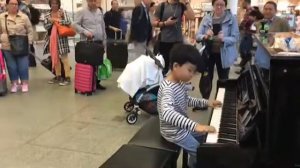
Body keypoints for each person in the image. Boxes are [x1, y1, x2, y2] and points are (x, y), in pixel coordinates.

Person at [157, 44, 222, 168]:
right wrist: (196, 126)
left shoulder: (178, 83)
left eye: (194, 71)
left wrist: (207, 102)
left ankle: (192, 162)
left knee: (207, 137)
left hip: (182, 128)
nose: (192, 75)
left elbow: (187, 99)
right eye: (190, 70)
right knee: (202, 153)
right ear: (176, 66)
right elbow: (167, 113)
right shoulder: (168, 88)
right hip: (174, 133)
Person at [195, 0, 239, 109]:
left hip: (224, 54)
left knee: (223, 79)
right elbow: (197, 36)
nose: (219, 7)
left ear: (225, 6)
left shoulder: (231, 18)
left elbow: (235, 37)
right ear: (213, 5)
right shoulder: (207, 18)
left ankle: (220, 102)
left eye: (222, 5)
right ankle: (205, 103)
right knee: (206, 79)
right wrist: (205, 36)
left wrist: (224, 39)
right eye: (217, 4)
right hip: (208, 54)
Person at [152, 0, 195, 75]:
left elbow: (192, 17)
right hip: (164, 41)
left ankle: (175, 85)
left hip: (178, 42)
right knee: (163, 68)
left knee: (178, 67)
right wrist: (165, 23)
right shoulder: (162, 6)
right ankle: (164, 85)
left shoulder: (181, 6)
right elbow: (154, 22)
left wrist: (187, 3)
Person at [0, 0, 33, 93]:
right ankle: (14, 83)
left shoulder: (24, 17)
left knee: (23, 65)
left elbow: (30, 31)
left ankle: (24, 83)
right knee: (11, 66)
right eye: (12, 4)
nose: (14, 6)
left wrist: (29, 43)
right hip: (7, 46)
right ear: (7, 5)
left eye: (16, 4)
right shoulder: (2, 17)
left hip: (21, 45)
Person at [73, 0, 107, 90]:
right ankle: (89, 84)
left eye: (95, 1)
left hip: (99, 42)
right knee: (90, 64)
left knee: (99, 64)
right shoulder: (82, 12)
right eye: (91, 1)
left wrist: (104, 40)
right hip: (89, 43)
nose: (93, 3)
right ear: (88, 1)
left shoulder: (99, 11)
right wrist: (85, 31)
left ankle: (97, 83)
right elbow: (74, 24)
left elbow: (102, 25)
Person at [254, 1, 290, 80]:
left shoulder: (282, 22)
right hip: (261, 59)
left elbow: (289, 39)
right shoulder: (261, 23)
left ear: (275, 11)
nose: (267, 11)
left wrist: (275, 40)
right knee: (261, 83)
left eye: (270, 9)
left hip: (274, 60)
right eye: (266, 9)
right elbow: (264, 41)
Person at [43, 0, 72, 86]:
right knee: (55, 58)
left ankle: (67, 77)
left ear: (58, 4)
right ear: (50, 4)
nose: (54, 5)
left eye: (56, 3)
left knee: (64, 59)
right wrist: (51, 22)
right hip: (52, 39)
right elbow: (46, 26)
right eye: (52, 3)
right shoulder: (47, 14)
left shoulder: (63, 12)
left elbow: (68, 22)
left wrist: (58, 20)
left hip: (62, 38)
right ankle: (58, 76)